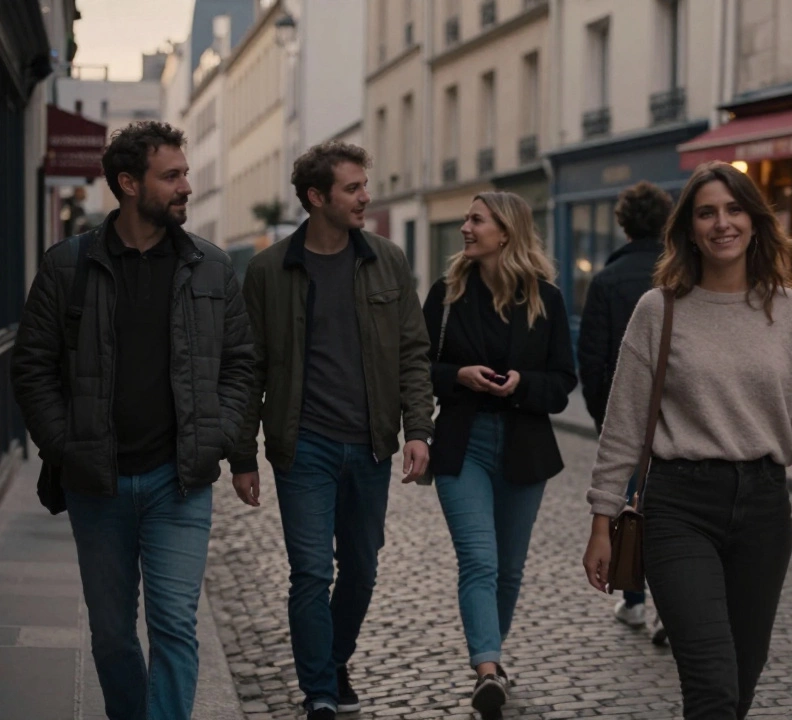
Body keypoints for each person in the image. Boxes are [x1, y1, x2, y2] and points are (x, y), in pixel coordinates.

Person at [582, 161, 792, 719]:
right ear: (688, 228)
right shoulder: (657, 309)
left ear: (756, 222)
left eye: (734, 210)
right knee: (711, 687)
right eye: (707, 212)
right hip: (678, 510)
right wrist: (601, 523)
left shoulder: (790, 311)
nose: (722, 224)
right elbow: (622, 425)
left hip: (763, 509)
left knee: (739, 684)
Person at [11, 121, 255, 720]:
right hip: (100, 483)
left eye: (185, 173)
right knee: (114, 636)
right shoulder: (68, 265)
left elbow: (242, 365)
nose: (186, 187)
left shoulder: (212, 268)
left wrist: (218, 435)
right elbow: (32, 366)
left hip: (180, 483)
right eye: (171, 176)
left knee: (175, 627)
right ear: (127, 183)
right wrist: (68, 445)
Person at [228, 142, 435, 720]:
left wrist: (419, 427)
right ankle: (319, 688)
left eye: (363, 186)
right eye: (352, 188)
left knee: (363, 567)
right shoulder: (269, 271)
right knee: (312, 571)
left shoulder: (387, 260)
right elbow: (250, 367)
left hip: (370, 443)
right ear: (316, 198)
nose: (365, 196)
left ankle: (334, 656)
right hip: (304, 446)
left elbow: (414, 352)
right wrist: (242, 453)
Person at [422, 191, 577, 720]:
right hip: (463, 445)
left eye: (475, 220)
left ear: (505, 233)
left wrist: (520, 385)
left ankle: (494, 655)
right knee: (480, 560)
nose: (465, 228)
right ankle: (486, 669)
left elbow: (561, 384)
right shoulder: (445, 295)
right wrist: (457, 376)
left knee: (509, 568)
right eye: (466, 218)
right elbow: (418, 368)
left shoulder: (546, 299)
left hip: (524, 449)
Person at [576, 180, 672, 640]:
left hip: (627, 419)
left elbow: (591, 359)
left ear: (623, 225)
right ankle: (669, 612)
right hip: (679, 418)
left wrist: (603, 420)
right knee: (672, 514)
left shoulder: (607, 280)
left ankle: (634, 601)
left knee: (631, 509)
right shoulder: (678, 275)